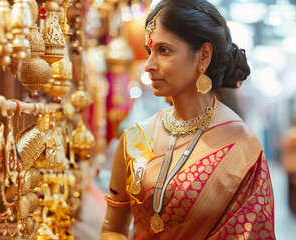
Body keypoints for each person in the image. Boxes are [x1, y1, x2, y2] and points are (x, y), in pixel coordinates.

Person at [99, 0, 275, 239]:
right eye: (150, 51)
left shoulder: (242, 148)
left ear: (203, 56)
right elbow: (113, 228)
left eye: (164, 51)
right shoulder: (136, 137)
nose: (149, 65)